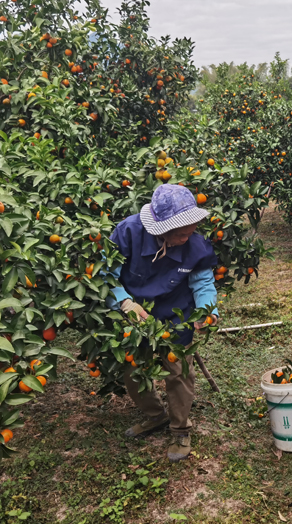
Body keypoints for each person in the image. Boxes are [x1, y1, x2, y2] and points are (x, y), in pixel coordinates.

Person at [106, 184, 219, 463]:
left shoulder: (195, 244)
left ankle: (180, 428)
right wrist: (123, 302)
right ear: (160, 228)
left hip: (176, 315)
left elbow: (203, 283)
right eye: (181, 232)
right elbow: (105, 273)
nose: (187, 236)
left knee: (179, 373)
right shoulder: (127, 233)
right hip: (136, 318)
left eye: (190, 229)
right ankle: (155, 416)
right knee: (134, 371)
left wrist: (207, 310)